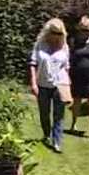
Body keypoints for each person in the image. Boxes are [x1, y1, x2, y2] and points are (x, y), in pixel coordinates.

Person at [29, 18, 70, 153]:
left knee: (58, 115)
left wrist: (68, 85)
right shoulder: (40, 45)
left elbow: (66, 67)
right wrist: (34, 83)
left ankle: (57, 141)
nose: (56, 36)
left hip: (60, 84)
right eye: (54, 33)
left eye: (59, 33)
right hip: (42, 84)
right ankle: (46, 134)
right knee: (44, 113)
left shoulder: (64, 46)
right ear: (48, 32)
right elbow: (33, 64)